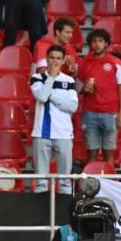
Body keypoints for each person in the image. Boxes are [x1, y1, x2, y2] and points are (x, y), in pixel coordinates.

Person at [31, 45, 78, 194]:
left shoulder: (69, 80)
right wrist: (51, 78)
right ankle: (39, 213)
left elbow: (72, 106)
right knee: (41, 182)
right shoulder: (37, 77)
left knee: (65, 181)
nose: (55, 61)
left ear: (63, 60)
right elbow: (41, 96)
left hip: (63, 133)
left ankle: (64, 210)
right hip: (41, 132)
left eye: (58, 58)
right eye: (52, 58)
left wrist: (53, 97)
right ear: (47, 59)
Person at [77, 29, 121, 167]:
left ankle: (109, 184)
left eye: (100, 41)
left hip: (110, 113)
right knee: (91, 152)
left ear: (106, 44)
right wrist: (84, 89)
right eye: (94, 41)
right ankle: (89, 186)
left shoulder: (116, 63)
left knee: (108, 152)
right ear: (90, 44)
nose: (97, 44)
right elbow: (78, 87)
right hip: (90, 112)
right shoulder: (84, 63)